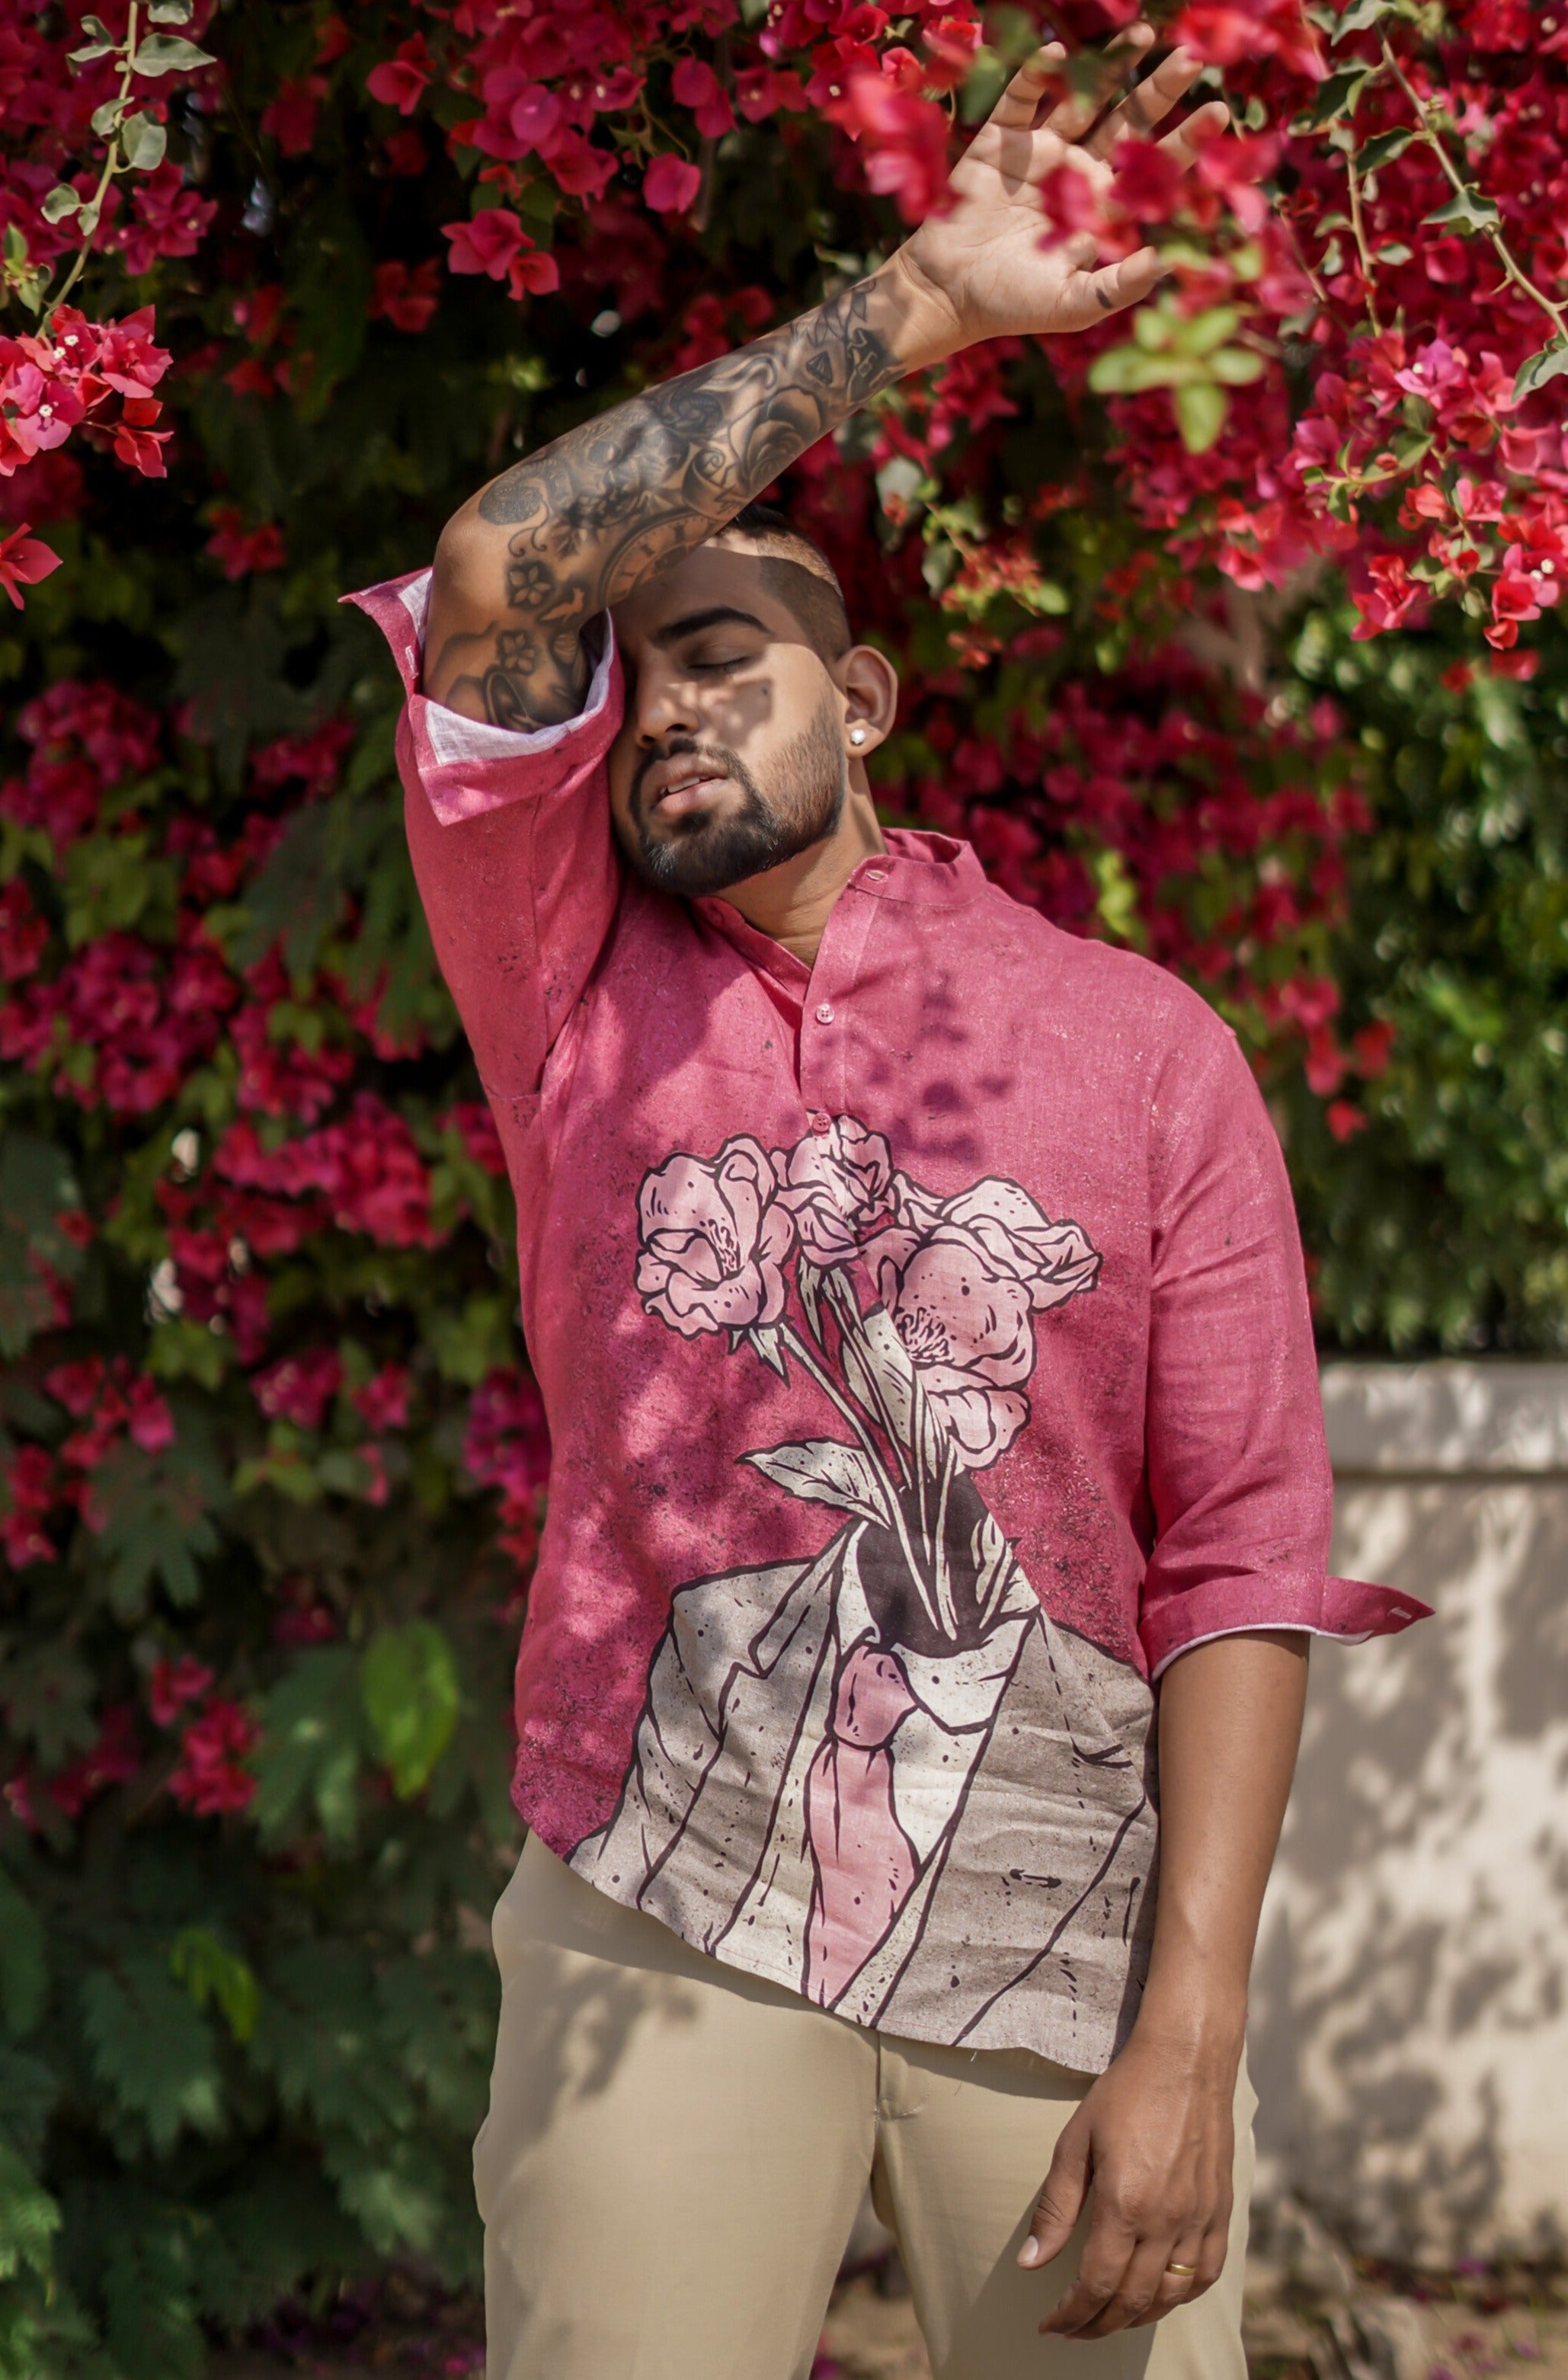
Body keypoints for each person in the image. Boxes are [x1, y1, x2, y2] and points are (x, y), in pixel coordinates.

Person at [350, 28, 1428, 2380]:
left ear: (867, 696)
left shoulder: (1143, 1048)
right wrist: (918, 308)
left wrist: (1190, 2029)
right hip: (658, 1901)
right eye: (627, 689)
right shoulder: (568, 984)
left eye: (720, 655)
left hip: (1064, 1918)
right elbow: (507, 565)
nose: (661, 711)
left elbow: (1237, 1555)